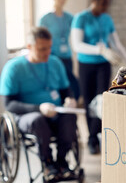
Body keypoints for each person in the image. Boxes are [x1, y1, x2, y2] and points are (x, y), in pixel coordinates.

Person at [0, 27, 78, 181]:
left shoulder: (55, 62)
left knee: (70, 116)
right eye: (42, 49)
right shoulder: (14, 68)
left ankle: (62, 161)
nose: (47, 52)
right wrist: (39, 108)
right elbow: (9, 104)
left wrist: (70, 99)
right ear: (29, 47)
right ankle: (48, 163)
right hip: (27, 116)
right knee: (37, 119)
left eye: (49, 47)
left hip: (56, 112)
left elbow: (65, 90)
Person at [71, 0, 126, 155]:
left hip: (103, 65)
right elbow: (77, 45)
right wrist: (100, 49)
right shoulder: (81, 18)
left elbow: (117, 44)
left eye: (108, 3)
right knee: (89, 100)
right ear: (94, 0)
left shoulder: (107, 19)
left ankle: (93, 138)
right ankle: (92, 136)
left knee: (101, 100)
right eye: (103, 3)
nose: (106, 7)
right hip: (86, 65)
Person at [39, 0, 80, 100]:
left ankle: (73, 100)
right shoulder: (45, 19)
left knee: (69, 80)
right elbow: (40, 38)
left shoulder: (70, 17)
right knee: (55, 80)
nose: (62, 0)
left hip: (66, 55)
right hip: (52, 54)